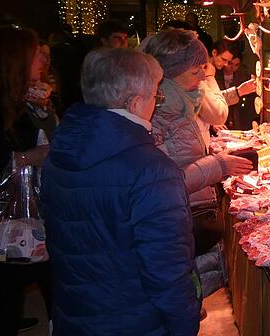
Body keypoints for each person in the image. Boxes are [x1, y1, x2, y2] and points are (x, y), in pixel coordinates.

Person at [42, 48, 201, 336]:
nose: (157, 103)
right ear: (136, 103)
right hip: (137, 322)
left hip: (75, 315)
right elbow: (167, 272)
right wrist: (185, 325)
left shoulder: (60, 152)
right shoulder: (152, 170)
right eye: (156, 96)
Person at [141, 29, 253, 297]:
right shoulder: (155, 112)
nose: (204, 76)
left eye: (203, 68)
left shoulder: (181, 102)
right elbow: (161, 183)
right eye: (195, 72)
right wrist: (218, 166)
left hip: (189, 216)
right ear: (170, 73)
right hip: (175, 222)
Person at [0, 25, 50, 335]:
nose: (41, 59)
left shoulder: (23, 101)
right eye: (34, 54)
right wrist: (27, 157)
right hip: (2, 222)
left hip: (19, 218)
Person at [214, 44, 256, 130]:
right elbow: (213, 100)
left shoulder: (244, 77)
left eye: (236, 65)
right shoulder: (213, 74)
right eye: (229, 63)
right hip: (218, 119)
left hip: (239, 123)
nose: (232, 67)